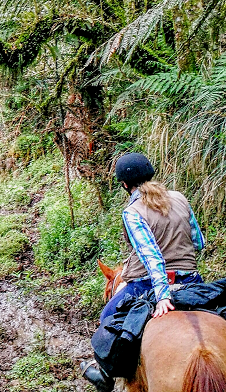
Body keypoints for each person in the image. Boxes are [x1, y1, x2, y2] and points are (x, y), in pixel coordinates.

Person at [81, 153, 206, 392]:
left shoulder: (133, 211)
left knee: (107, 316)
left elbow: (152, 257)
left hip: (149, 285)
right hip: (191, 280)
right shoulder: (180, 198)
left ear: (125, 184)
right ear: (151, 174)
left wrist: (163, 296)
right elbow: (198, 242)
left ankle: (105, 375)